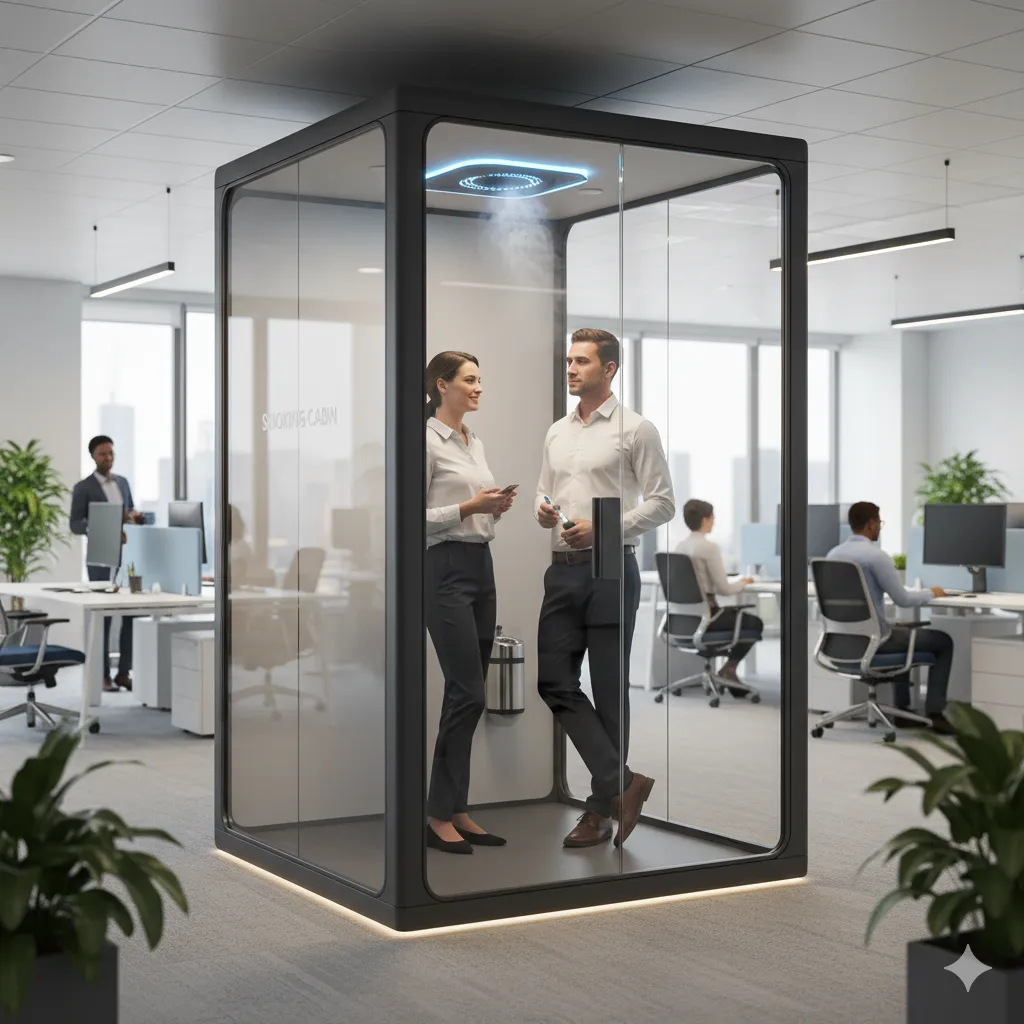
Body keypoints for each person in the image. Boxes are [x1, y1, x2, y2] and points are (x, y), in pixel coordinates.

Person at [535, 328, 675, 849]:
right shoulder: (557, 431)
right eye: (568, 360)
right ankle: (623, 784)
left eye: (581, 362)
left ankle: (598, 812)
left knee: (611, 691)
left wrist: (604, 527)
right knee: (554, 681)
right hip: (563, 567)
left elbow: (663, 503)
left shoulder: (637, 430)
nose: (570, 369)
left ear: (609, 369)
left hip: (613, 567)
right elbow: (541, 492)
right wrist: (543, 509)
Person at [425, 351, 516, 855]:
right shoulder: (425, 439)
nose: (479, 388)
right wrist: (470, 506)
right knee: (469, 693)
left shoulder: (473, 440)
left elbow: (476, 516)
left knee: (466, 695)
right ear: (442, 385)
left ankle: (457, 809)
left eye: (481, 379)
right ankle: (438, 815)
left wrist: (493, 509)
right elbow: (411, 517)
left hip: (481, 565)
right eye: (469, 380)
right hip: (443, 571)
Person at [827, 501, 954, 734]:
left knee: (904, 633)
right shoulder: (875, 556)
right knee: (943, 641)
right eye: (879, 523)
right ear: (871, 524)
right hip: (874, 644)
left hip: (840, 643)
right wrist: (930, 593)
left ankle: (903, 710)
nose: (879, 528)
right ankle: (935, 714)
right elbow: (903, 600)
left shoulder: (832, 554)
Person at [69, 435, 145, 692]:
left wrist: (135, 517)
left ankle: (124, 672)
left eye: (111, 453)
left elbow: (129, 511)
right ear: (92, 456)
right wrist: (98, 525)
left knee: (130, 614)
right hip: (100, 556)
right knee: (103, 617)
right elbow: (75, 524)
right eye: (103, 454)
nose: (108, 458)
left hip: (127, 555)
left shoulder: (122, 482)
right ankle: (102, 674)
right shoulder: (83, 487)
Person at [674, 499, 763, 695]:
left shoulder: (679, 547)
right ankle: (729, 669)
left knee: (739, 620)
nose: (714, 522)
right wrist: (744, 583)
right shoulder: (708, 547)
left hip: (683, 621)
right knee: (754, 623)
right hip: (708, 618)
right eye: (713, 518)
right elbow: (724, 589)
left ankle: (726, 673)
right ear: (705, 520)